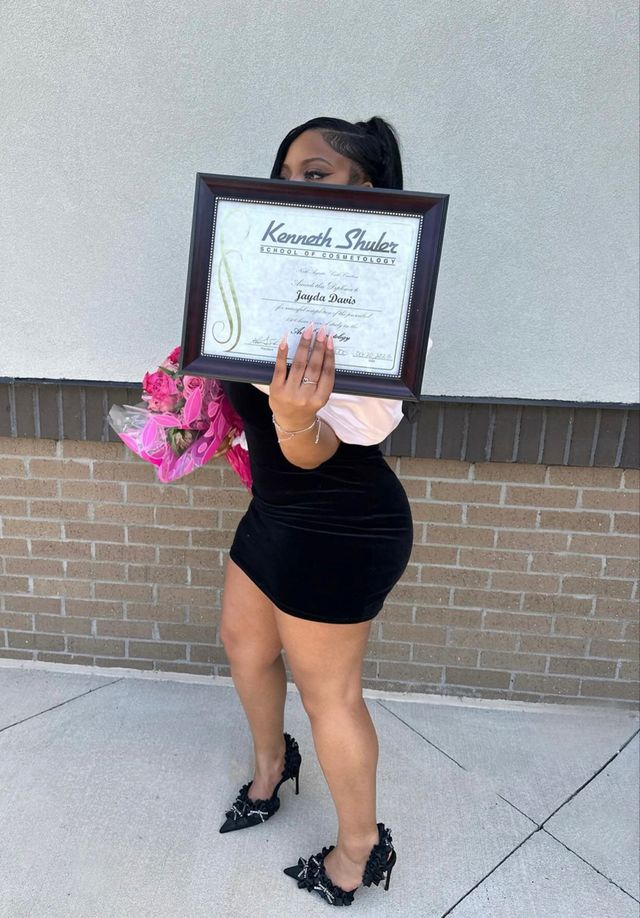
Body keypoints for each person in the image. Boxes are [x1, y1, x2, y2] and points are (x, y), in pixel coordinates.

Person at [218, 116, 430, 907]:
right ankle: (274, 768)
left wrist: (293, 415)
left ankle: (359, 851)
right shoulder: (272, 279)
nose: (290, 187)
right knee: (243, 645)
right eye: (285, 173)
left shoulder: (374, 314)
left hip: (342, 526)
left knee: (329, 693)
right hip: (274, 512)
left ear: (368, 194)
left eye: (316, 174)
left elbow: (316, 449)